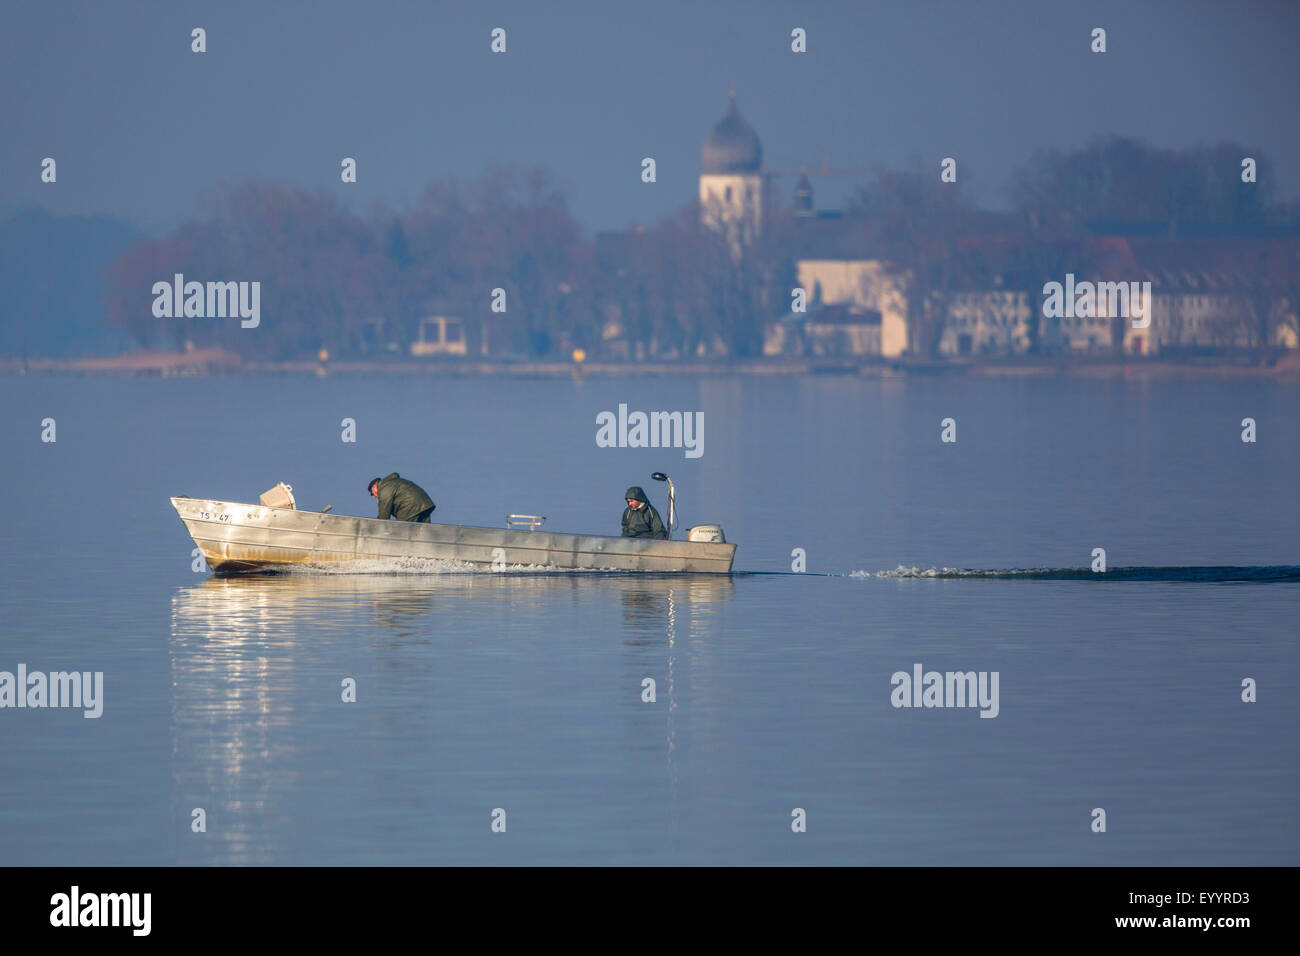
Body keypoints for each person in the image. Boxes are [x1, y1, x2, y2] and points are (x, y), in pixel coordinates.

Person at [369, 473, 436, 522]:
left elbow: (383, 516)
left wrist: (375, 527)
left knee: (403, 532)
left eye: (372, 493)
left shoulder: (384, 488)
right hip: (425, 505)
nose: (375, 496)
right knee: (424, 534)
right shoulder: (394, 482)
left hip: (410, 508)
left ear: (375, 486)